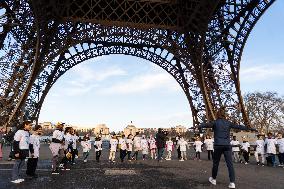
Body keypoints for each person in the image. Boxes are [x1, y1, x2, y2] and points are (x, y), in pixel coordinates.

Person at [198, 107, 256, 189]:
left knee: (216, 164)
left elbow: (206, 125)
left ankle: (213, 179)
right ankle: (232, 183)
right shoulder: (228, 123)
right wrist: (250, 128)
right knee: (230, 164)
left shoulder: (215, 122)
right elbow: (239, 127)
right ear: (225, 115)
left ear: (217, 114)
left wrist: (197, 126)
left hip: (218, 145)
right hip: (227, 145)